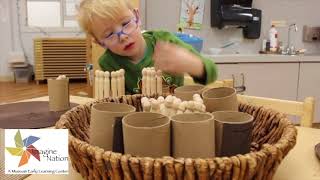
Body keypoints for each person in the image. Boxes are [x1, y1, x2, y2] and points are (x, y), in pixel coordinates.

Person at [77, 0, 218, 94]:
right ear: (100, 42)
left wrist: (193, 65)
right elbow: (118, 106)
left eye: (126, 23)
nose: (123, 36)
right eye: (109, 34)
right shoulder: (108, 63)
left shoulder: (164, 40)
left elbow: (212, 72)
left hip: (176, 118)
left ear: (137, 16)